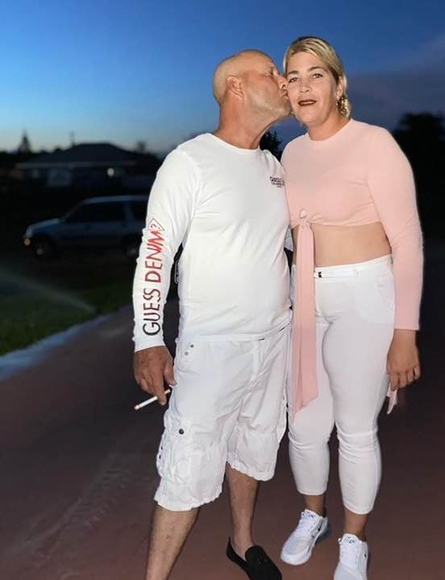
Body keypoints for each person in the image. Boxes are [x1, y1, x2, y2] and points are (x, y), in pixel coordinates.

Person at [132, 49, 292, 580]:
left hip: (274, 340)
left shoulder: (274, 168)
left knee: (255, 445)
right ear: (236, 87)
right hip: (213, 346)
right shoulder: (190, 162)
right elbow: (155, 254)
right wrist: (148, 339)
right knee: (188, 467)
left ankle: (242, 542)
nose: (283, 80)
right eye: (271, 72)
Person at [279, 37, 424, 580]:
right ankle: (313, 516)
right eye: (294, 77)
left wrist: (405, 332)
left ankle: (354, 539)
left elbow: (407, 242)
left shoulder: (374, 143)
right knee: (303, 424)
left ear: (339, 85)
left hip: (365, 296)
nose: (304, 87)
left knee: (355, 428)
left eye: (316, 75)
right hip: (307, 300)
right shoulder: (290, 154)